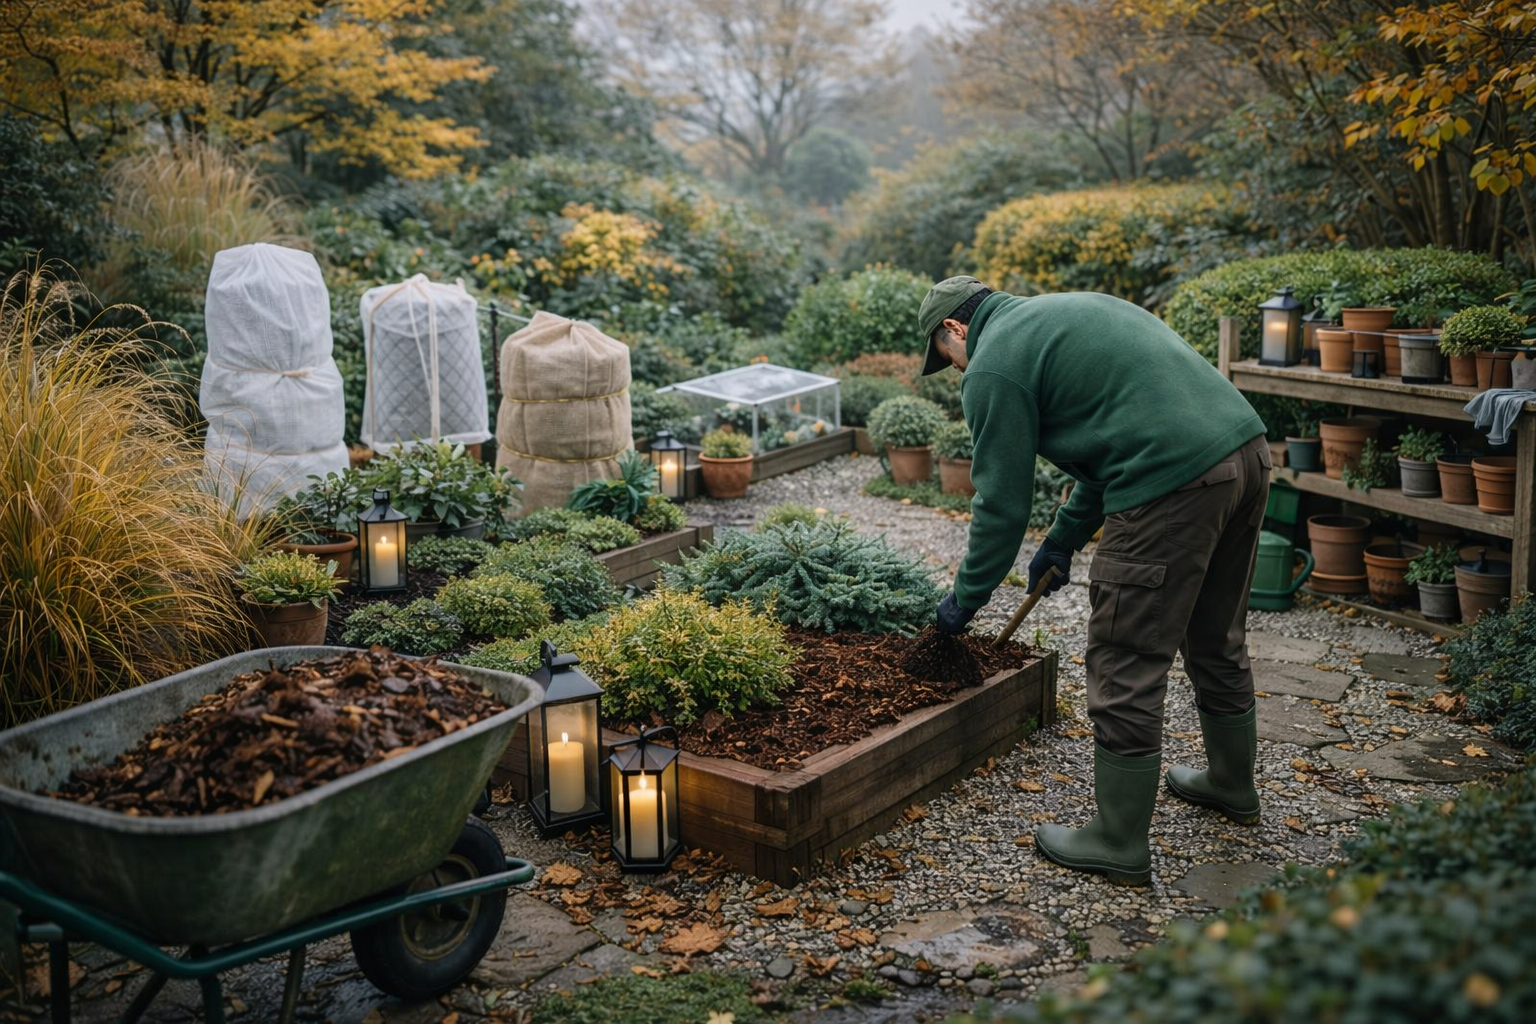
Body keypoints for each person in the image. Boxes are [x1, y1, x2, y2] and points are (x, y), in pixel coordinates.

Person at [920, 275, 1271, 886]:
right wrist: (1063, 538)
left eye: (944, 358)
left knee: (1125, 654)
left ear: (955, 328)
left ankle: (1117, 840)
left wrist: (963, 602)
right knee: (1216, 635)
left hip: (1172, 481)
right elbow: (1113, 441)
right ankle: (1232, 785)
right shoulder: (1069, 312)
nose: (953, 371)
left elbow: (1001, 505)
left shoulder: (992, 364)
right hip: (1245, 454)